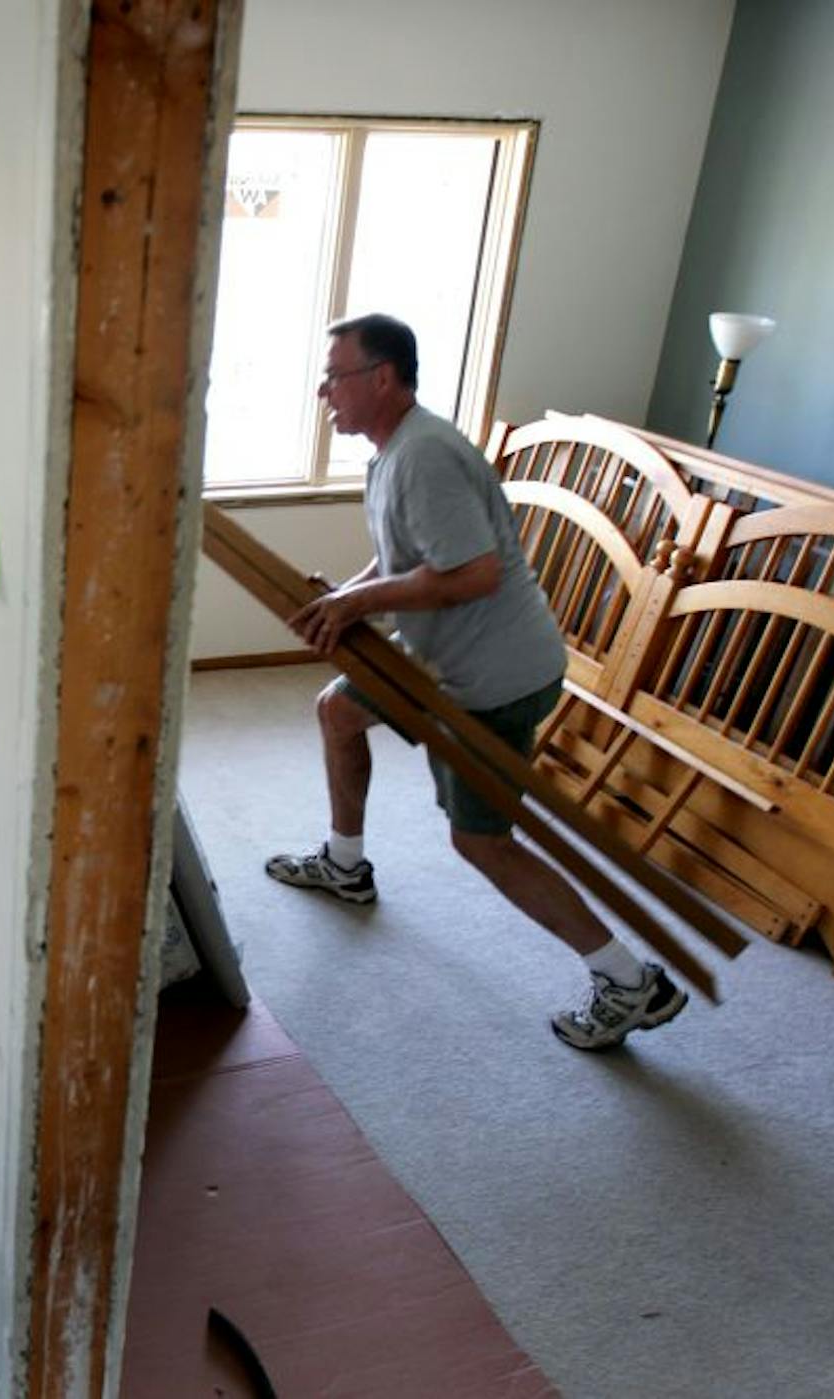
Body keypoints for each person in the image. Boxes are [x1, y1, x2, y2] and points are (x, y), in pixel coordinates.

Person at [265, 312, 686, 1050]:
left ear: (382, 377)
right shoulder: (392, 450)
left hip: (492, 681)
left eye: (335, 376)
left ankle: (629, 980)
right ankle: (345, 863)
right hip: (439, 661)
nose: (324, 391)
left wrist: (359, 602)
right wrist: (346, 596)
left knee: (482, 841)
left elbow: (475, 573)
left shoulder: (424, 456)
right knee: (338, 711)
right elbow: (409, 556)